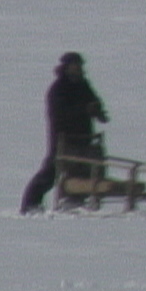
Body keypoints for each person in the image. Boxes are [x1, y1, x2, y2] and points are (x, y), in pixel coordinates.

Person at [20, 52, 110, 214]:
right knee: (51, 172)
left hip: (84, 138)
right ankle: (31, 204)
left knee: (84, 171)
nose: (78, 69)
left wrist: (98, 111)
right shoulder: (58, 88)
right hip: (63, 139)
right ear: (66, 67)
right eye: (74, 65)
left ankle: (74, 200)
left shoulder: (84, 85)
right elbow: (61, 113)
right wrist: (84, 110)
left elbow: (94, 101)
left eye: (79, 65)